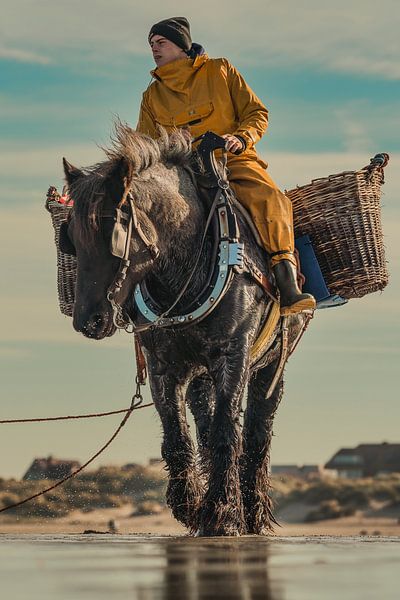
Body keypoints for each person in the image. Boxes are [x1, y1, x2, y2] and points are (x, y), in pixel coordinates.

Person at [136, 17, 315, 315]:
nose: (154, 49)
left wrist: (241, 138)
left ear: (182, 45)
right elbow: (145, 145)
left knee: (271, 200)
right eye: (151, 44)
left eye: (161, 43)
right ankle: (136, 295)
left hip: (232, 160)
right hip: (183, 173)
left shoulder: (221, 70)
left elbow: (256, 112)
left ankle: (286, 281)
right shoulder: (151, 96)